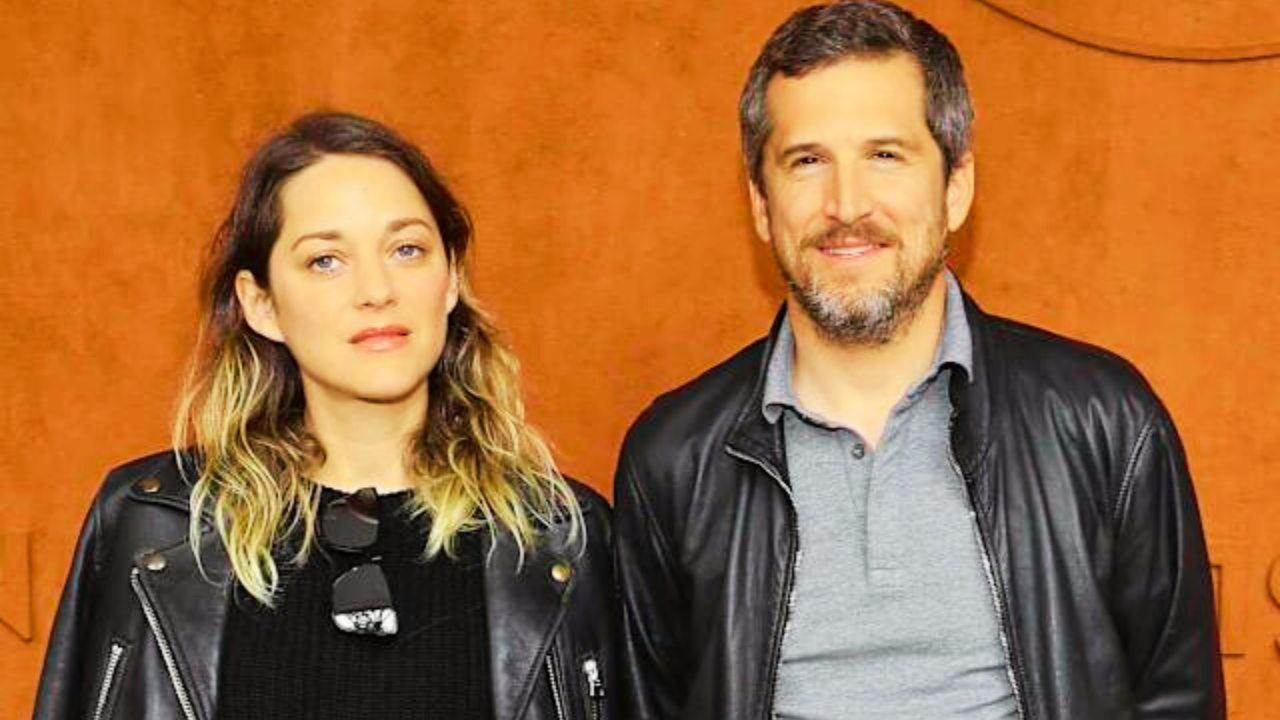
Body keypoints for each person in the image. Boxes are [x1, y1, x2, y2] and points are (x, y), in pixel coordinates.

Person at [613, 2, 1224, 719]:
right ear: (760, 204)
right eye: (807, 161)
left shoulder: (1104, 421)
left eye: (885, 155)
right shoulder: (673, 458)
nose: (847, 205)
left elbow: (1179, 702)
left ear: (955, 187)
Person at [35, 112, 615, 720]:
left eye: (407, 249)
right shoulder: (148, 527)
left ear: (449, 280)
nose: (377, 290)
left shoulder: (563, 536)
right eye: (325, 261)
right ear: (261, 303)